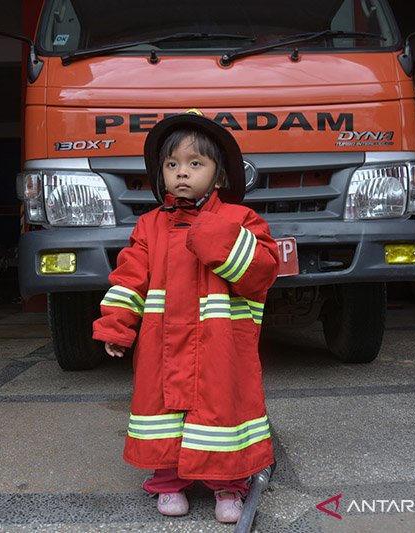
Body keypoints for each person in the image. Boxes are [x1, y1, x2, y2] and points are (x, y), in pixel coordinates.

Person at [92, 110, 279, 523]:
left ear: (221, 176)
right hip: (162, 348)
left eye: (195, 164)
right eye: (172, 164)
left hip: (220, 350)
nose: (181, 173)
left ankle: (228, 483)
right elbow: (129, 279)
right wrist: (116, 326)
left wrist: (212, 233)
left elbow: (261, 274)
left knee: (221, 412)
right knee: (163, 412)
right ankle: (168, 479)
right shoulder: (149, 226)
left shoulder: (240, 220)